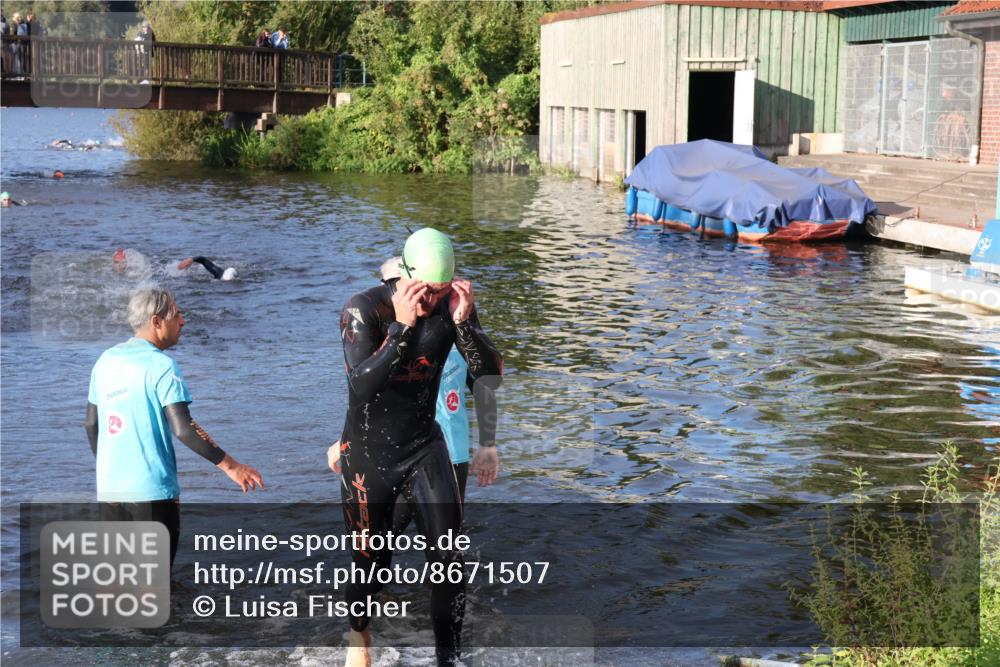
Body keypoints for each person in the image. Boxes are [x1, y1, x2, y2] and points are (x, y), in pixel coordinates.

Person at [337, 228, 503, 667]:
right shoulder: (363, 309)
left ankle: (448, 659)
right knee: (373, 566)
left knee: (449, 559)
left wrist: (466, 324)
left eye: (442, 291)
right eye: (425, 291)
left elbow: (489, 376)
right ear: (404, 274)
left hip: (425, 446)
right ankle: (359, 634)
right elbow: (361, 387)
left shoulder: (452, 307)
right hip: (369, 455)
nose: (431, 301)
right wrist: (402, 329)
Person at [85, 287, 263, 566]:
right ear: (157, 321)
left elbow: (91, 424)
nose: (183, 321)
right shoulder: (162, 366)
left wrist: (113, 469)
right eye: (177, 315)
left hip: (110, 491)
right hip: (152, 494)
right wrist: (232, 466)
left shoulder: (105, 361)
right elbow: (184, 427)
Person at [327, 257, 500, 499]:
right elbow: (367, 397)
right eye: (391, 287)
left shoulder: (454, 336)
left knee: (446, 534)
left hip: (450, 450)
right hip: (389, 453)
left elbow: (484, 387)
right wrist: (346, 440)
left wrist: (488, 445)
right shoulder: (379, 341)